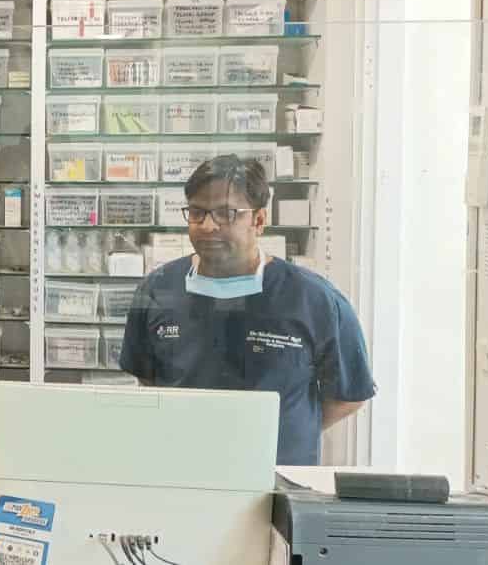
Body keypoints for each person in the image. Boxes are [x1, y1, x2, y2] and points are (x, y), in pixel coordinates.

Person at [120, 155, 375, 466]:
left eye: (226, 214)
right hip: (181, 469)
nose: (208, 226)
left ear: (259, 220)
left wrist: (285, 431)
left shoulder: (313, 298)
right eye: (197, 212)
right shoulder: (158, 289)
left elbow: (349, 395)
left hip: (276, 477)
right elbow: (147, 380)